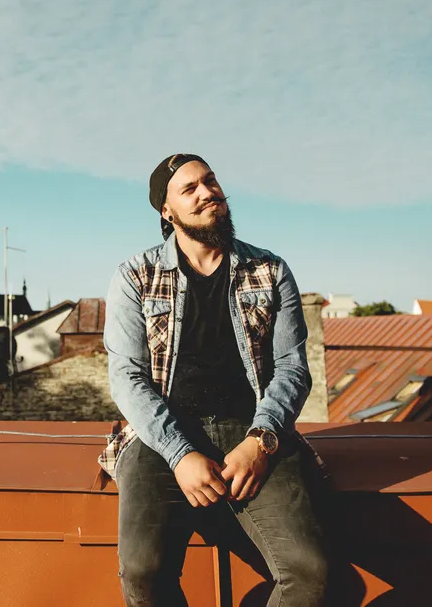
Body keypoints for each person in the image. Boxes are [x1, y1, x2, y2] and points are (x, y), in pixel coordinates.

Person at [99, 153, 328, 607]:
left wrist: (260, 442)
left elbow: (292, 368)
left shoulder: (270, 271)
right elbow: (126, 375)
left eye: (210, 181)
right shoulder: (135, 276)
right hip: (161, 435)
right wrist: (180, 454)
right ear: (167, 212)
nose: (208, 193)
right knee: (144, 572)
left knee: (309, 571)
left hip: (251, 430)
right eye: (189, 189)